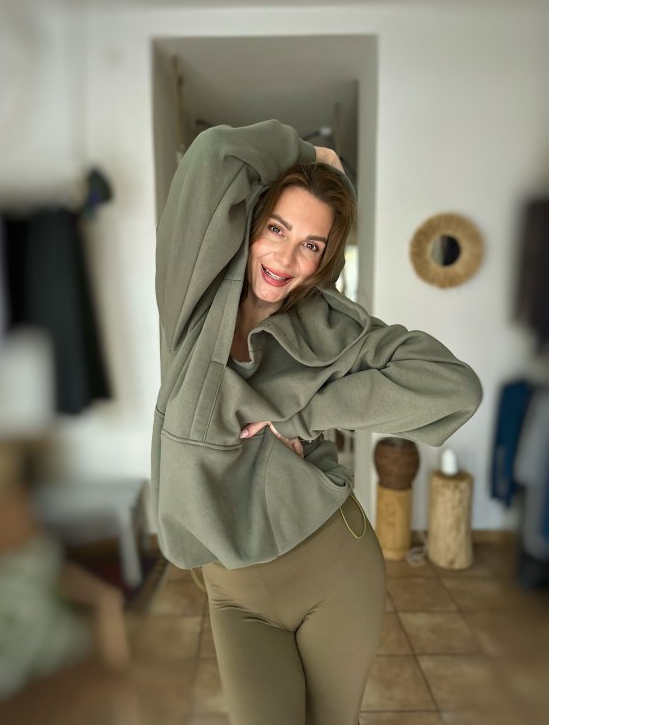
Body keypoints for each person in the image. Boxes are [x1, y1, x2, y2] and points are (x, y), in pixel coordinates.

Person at [152, 119, 482, 724]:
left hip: (332, 566)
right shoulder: (194, 302)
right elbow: (213, 153)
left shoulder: (332, 329)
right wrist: (309, 153)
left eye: (311, 244)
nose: (285, 258)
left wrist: (304, 411)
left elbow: (454, 387)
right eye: (277, 229)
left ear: (326, 257)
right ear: (252, 224)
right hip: (234, 589)